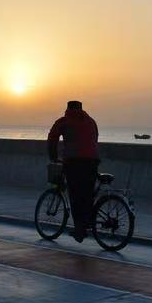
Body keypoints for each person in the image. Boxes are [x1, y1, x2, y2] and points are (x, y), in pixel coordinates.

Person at [47, 100, 100, 243]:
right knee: (87, 194)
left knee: (75, 195)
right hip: (92, 161)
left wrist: (53, 157)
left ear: (67, 109)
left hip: (74, 162)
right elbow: (95, 138)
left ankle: (79, 230)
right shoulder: (91, 121)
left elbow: (52, 139)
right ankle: (87, 221)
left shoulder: (64, 121)